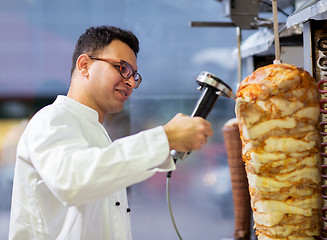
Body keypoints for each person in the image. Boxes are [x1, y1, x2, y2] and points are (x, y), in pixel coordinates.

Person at [9, 25, 213, 240]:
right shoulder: (51, 118)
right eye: (122, 67)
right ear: (85, 65)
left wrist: (168, 144)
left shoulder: (94, 131)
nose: (131, 82)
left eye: (135, 75)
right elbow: (72, 180)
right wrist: (166, 137)